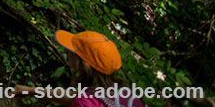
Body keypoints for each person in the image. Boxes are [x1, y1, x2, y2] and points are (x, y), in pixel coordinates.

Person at [14, 31, 145, 106]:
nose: (67, 52)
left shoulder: (85, 103)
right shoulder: (127, 95)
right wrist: (31, 90)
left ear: (84, 63)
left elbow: (80, 100)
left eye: (72, 51)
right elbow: (73, 97)